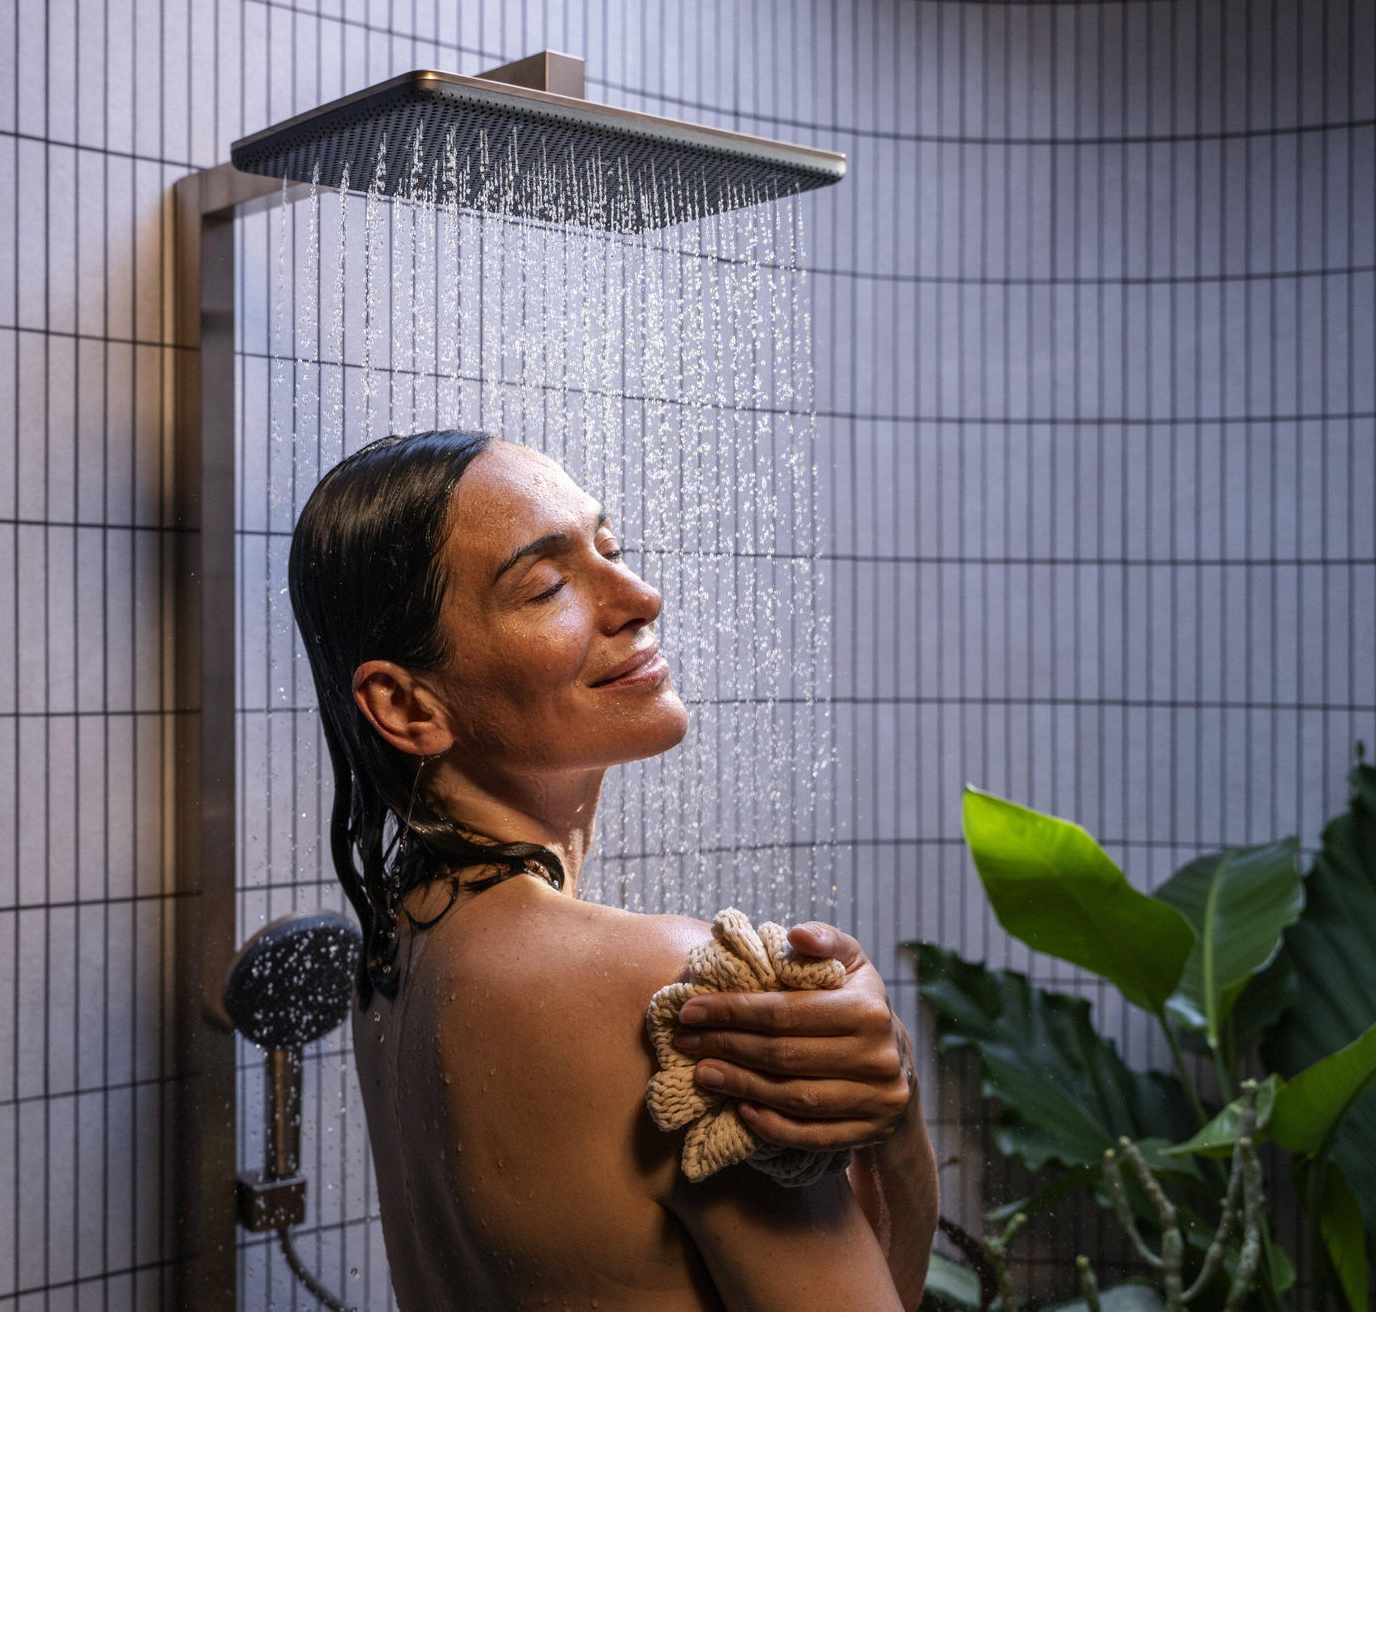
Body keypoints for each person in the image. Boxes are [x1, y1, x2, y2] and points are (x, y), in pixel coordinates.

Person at [289, 428, 938, 1310]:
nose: (641, 597)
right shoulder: (665, 991)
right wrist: (895, 1113)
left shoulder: (398, 958)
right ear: (408, 706)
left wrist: (889, 1104)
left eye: (610, 549)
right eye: (547, 585)